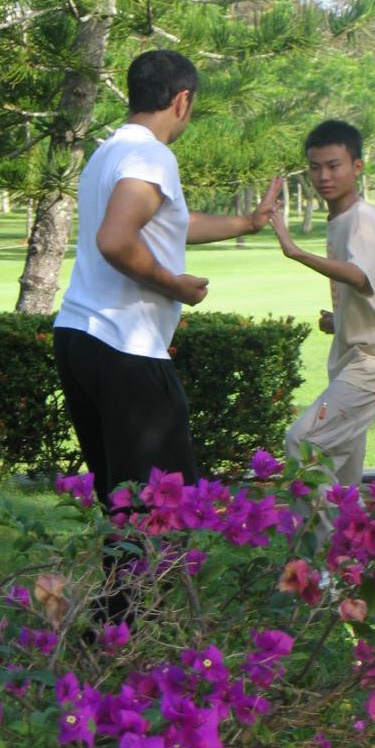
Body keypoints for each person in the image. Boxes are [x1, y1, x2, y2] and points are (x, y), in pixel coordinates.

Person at [53, 49, 281, 515]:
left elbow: (168, 223)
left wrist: (247, 223)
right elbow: (116, 239)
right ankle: (143, 590)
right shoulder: (151, 156)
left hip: (79, 335)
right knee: (163, 509)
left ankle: (119, 591)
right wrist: (173, 285)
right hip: (125, 346)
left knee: (123, 505)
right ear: (182, 100)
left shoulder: (109, 152)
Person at [269, 119, 375, 543]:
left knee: (302, 444)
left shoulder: (361, 218)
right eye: (315, 168)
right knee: (343, 483)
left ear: (358, 166)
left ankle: (323, 567)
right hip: (356, 359)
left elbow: (363, 277)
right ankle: (360, 562)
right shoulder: (342, 218)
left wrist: (293, 250)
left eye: (334, 166)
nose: (324, 177)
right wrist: (341, 317)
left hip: (372, 364)